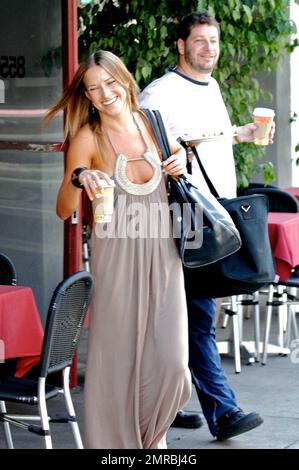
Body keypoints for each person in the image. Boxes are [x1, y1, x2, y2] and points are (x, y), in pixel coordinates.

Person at [46, 49, 191, 449]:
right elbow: (62, 211)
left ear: (124, 80)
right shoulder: (88, 137)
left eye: (109, 83)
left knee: (173, 365)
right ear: (88, 97)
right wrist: (80, 177)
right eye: (93, 89)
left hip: (164, 257)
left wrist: (180, 158)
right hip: (117, 260)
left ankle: (149, 439)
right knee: (118, 364)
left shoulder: (153, 123)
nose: (104, 93)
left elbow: (179, 161)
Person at [139, 11, 273, 441]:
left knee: (186, 315)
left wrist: (244, 133)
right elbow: (138, 149)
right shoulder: (159, 92)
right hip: (182, 217)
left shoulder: (210, 85)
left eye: (213, 41)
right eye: (199, 41)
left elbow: (206, 134)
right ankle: (223, 410)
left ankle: (165, 402)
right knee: (196, 314)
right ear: (181, 45)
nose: (208, 48)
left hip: (212, 214)